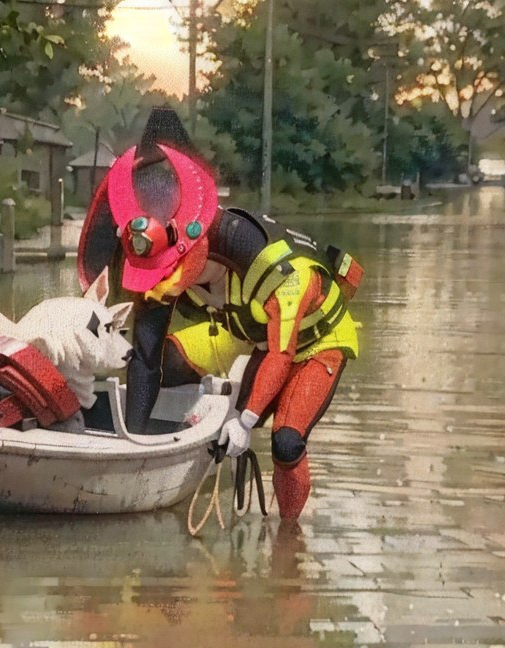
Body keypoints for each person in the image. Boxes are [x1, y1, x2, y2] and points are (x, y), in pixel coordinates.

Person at [76, 109, 362, 521]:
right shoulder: (159, 255)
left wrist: (245, 421)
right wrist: (134, 448)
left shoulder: (282, 271)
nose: (159, 285)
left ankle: (289, 542)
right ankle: (200, 420)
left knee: (285, 441)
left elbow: (281, 354)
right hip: (241, 327)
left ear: (196, 242)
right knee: (166, 362)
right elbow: (145, 356)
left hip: (313, 341)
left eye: (167, 273)